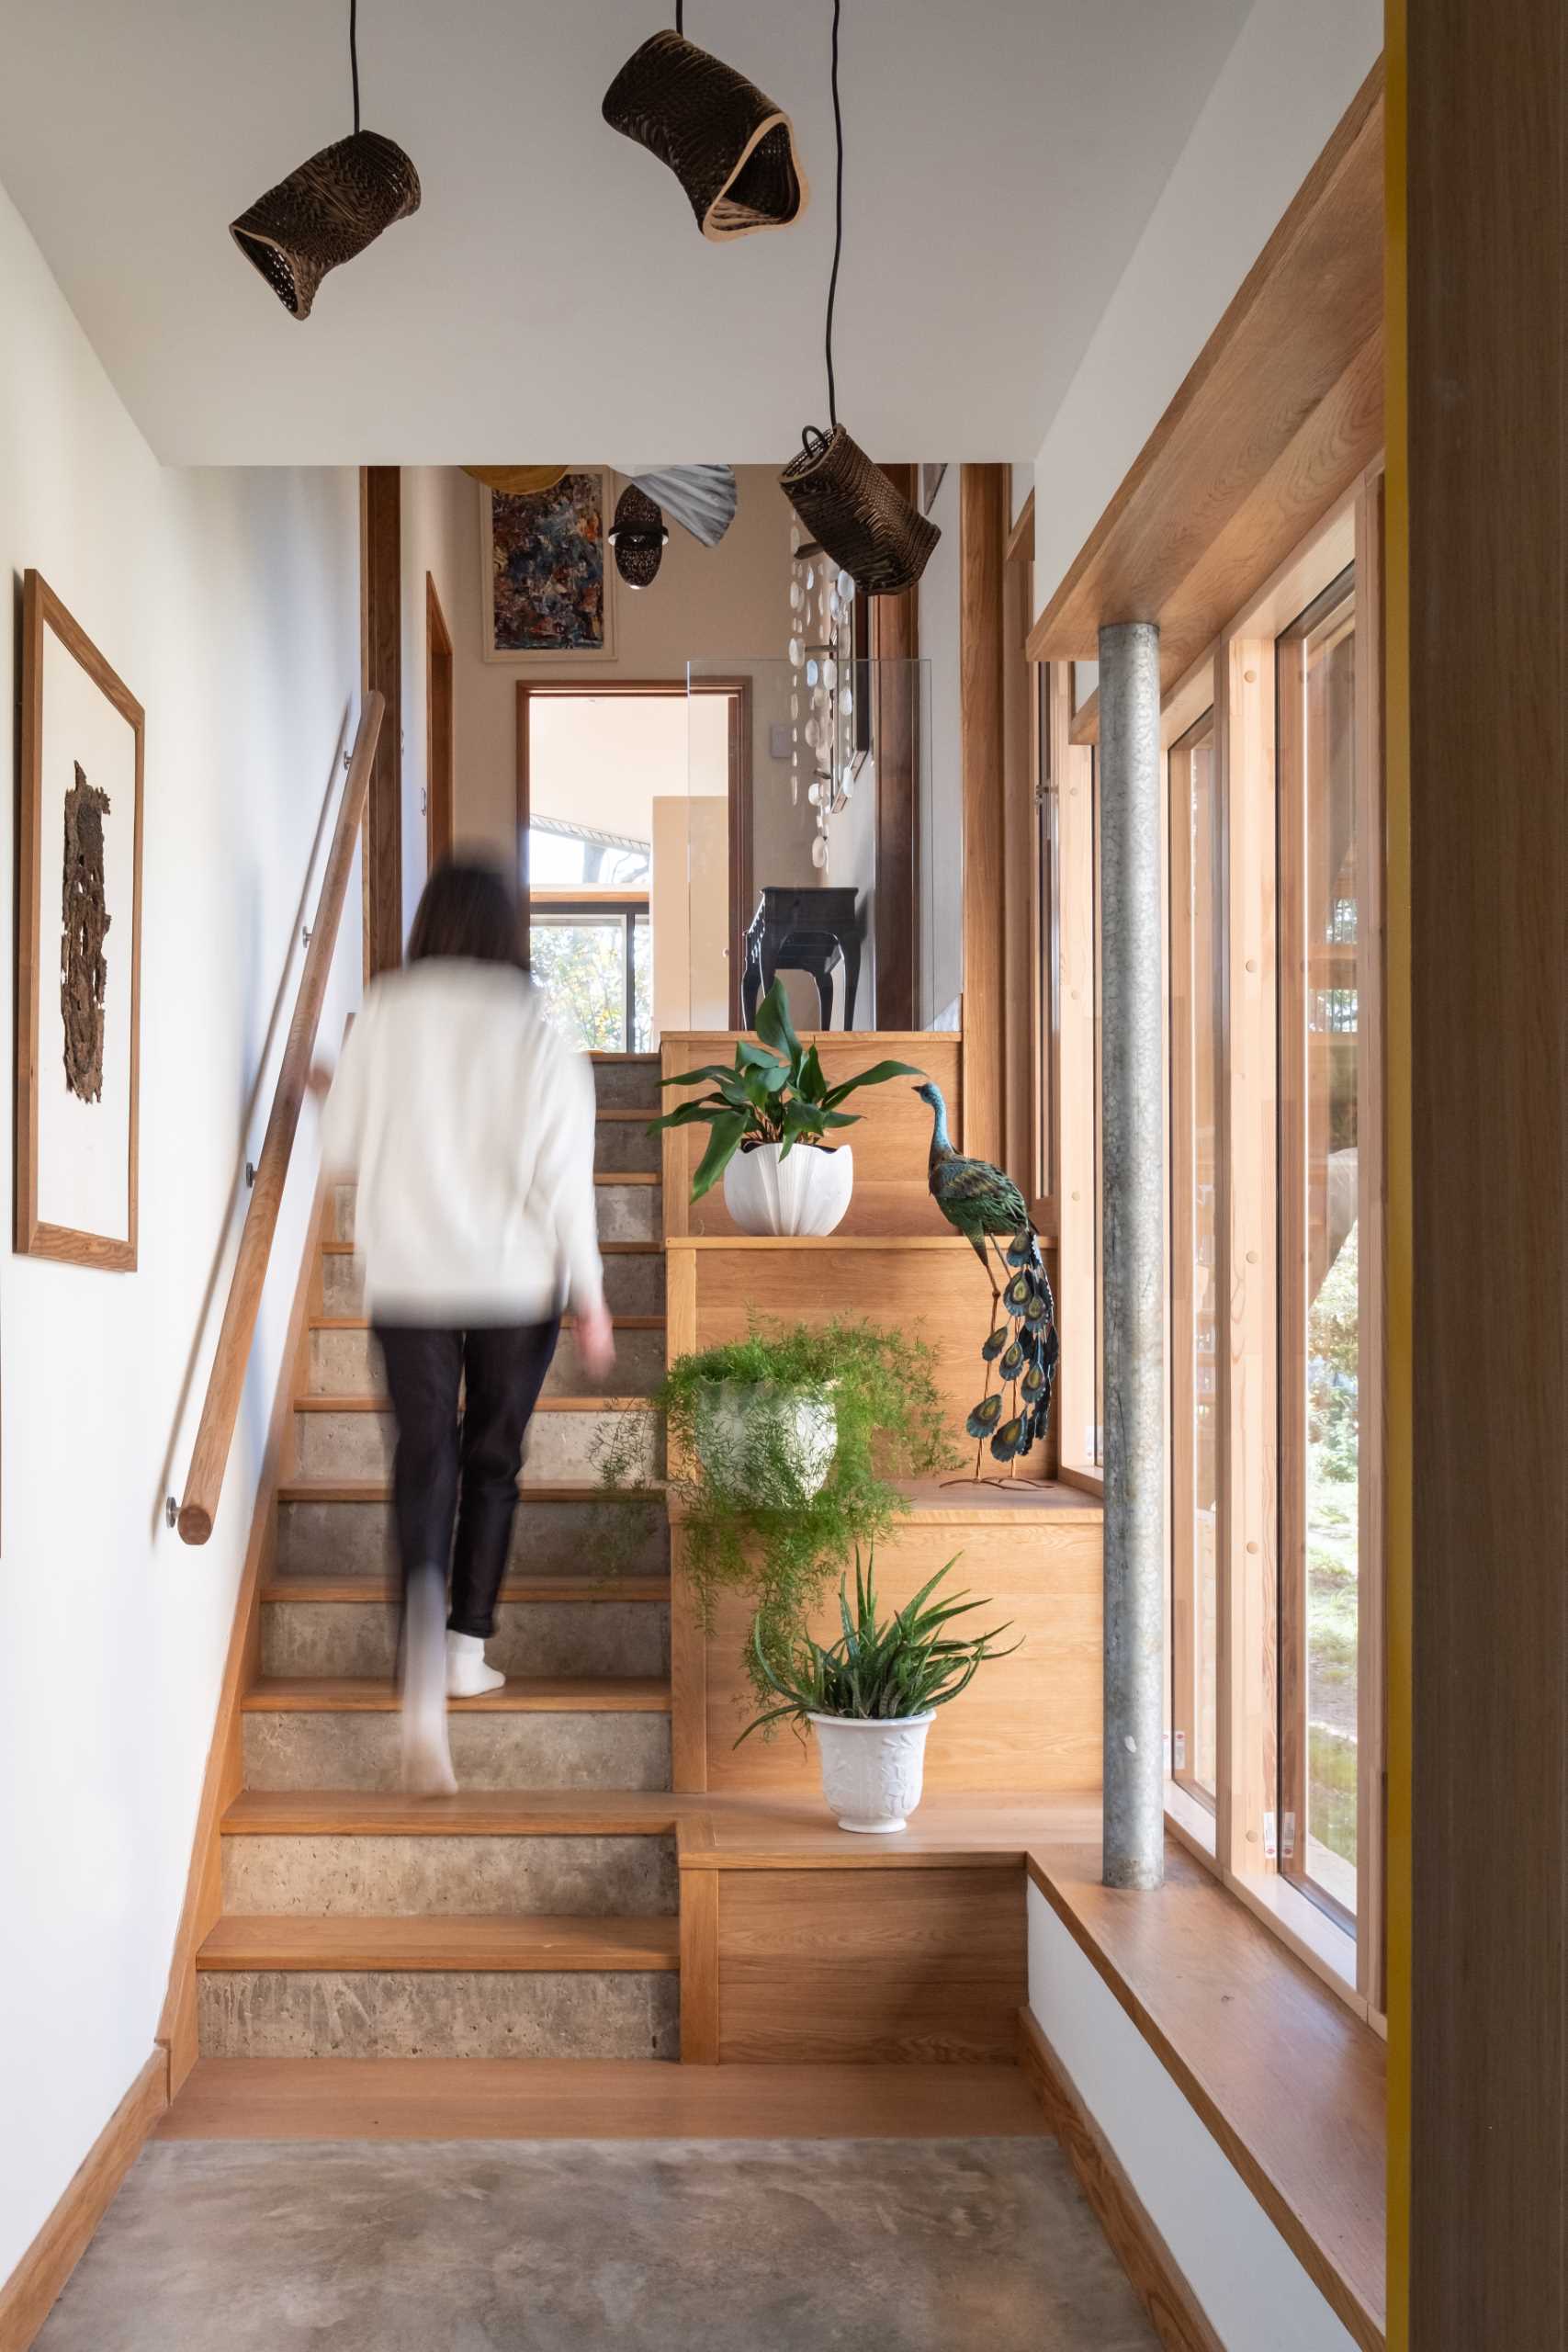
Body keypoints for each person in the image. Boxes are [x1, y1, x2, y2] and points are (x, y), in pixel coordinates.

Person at [318, 855, 614, 1793]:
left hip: (408, 1277)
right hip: (512, 1279)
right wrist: (591, 1294)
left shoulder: (386, 1012)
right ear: (509, 931)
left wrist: (331, 1085)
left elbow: (340, 1155)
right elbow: (561, 1173)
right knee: (491, 1459)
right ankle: (463, 1646)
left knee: (424, 1457)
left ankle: (420, 1632)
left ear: (429, 922)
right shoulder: (535, 1028)